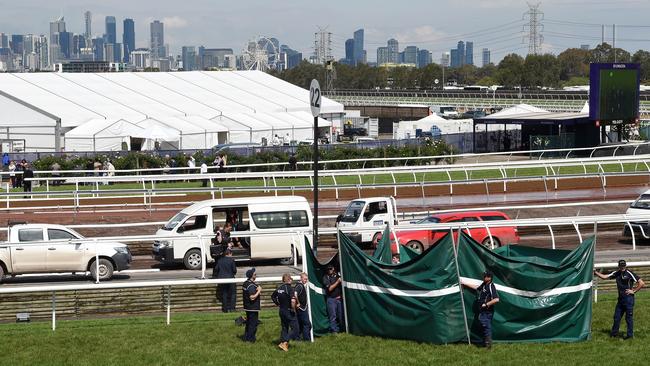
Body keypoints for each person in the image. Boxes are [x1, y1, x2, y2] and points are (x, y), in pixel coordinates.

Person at [595, 260, 645, 339]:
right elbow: (604, 277)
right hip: (620, 300)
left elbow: (641, 283)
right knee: (616, 317)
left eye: (624, 266)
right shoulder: (616, 273)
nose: (622, 267)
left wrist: (633, 291)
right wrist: (595, 272)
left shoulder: (629, 273)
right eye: (621, 266)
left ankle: (630, 336)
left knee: (628, 318)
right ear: (619, 266)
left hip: (628, 299)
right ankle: (614, 335)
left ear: (625, 266)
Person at [463, 271, 499, 348]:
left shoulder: (491, 286)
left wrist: (486, 304)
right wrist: (465, 284)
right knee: (483, 326)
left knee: (486, 327)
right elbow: (477, 288)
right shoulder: (484, 285)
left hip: (487, 311)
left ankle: (488, 345)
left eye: (485, 276)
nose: (483, 277)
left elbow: (496, 299)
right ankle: (485, 343)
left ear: (489, 278)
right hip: (482, 311)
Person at [272, 273, 299, 351]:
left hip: (281, 310)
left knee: (284, 328)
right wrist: (293, 309)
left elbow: (273, 296)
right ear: (289, 280)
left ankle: (283, 344)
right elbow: (293, 301)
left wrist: (278, 303)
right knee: (296, 329)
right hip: (288, 311)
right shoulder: (290, 289)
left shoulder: (279, 288)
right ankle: (284, 343)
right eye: (291, 279)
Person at [213, 248, 237, 312]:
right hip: (231, 279)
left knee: (224, 294)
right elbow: (234, 270)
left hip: (222, 279)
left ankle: (225, 309)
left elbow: (216, 269)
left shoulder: (220, 260)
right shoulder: (231, 260)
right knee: (233, 294)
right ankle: (232, 308)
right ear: (229, 254)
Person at [242, 267, 262, 342]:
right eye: (255, 274)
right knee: (253, 324)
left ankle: (246, 337)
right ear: (251, 276)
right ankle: (250, 339)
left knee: (248, 323)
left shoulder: (245, 283)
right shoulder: (251, 286)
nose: (256, 275)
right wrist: (259, 291)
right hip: (252, 307)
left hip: (247, 307)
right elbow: (252, 297)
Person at [323, 265, 344, 333]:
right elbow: (330, 288)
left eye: (331, 269)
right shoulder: (325, 277)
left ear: (333, 268)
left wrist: (341, 295)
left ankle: (342, 329)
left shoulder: (338, 275)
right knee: (333, 316)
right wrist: (338, 282)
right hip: (331, 299)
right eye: (328, 269)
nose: (330, 270)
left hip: (339, 299)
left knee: (341, 315)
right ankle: (334, 331)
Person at [294, 272, 312, 341]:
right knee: (307, 324)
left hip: (302, 308)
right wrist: (298, 303)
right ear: (301, 278)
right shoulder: (299, 286)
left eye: (306, 279)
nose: (306, 281)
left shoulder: (301, 285)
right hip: (301, 308)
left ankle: (298, 338)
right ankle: (307, 340)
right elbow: (295, 294)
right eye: (305, 279)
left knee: (301, 324)